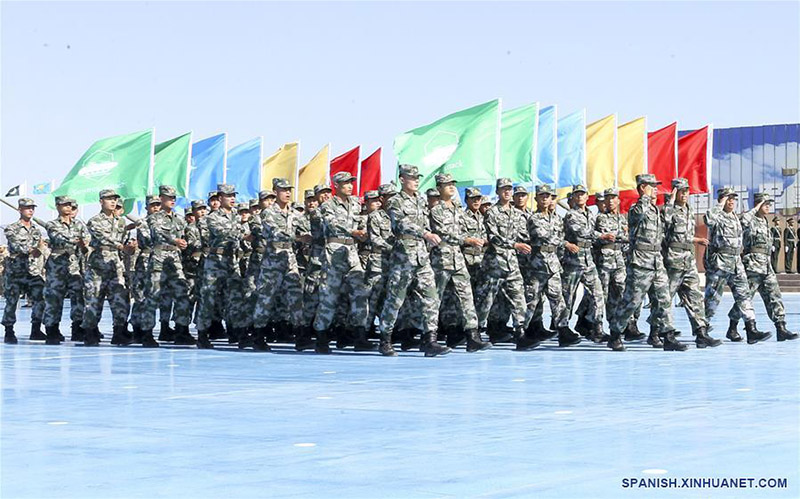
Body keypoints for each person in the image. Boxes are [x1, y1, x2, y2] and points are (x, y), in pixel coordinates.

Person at [377, 165, 453, 357]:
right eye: (411, 177)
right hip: (404, 256)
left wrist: (429, 237)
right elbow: (401, 224)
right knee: (395, 299)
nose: (416, 180)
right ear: (402, 179)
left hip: (421, 255)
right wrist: (425, 233)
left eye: (417, 177)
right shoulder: (395, 201)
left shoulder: (420, 199)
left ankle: (430, 340)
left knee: (431, 297)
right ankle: (385, 339)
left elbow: (425, 222)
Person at [607, 174, 685, 352]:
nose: (656, 189)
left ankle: (668, 337)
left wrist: (671, 203)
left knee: (663, 300)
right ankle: (615, 335)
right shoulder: (636, 208)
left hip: (657, 262)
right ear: (642, 188)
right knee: (632, 302)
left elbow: (666, 222)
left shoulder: (654, 209)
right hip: (641, 262)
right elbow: (638, 214)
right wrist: (644, 196)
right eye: (652, 186)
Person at [475, 178, 541, 351]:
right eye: (503, 189)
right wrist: (514, 245)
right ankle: (474, 333)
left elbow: (523, 235)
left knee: (519, 298)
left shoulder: (517, 214)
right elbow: (494, 237)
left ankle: (520, 334)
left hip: (511, 263)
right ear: (497, 192)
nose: (507, 192)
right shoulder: (492, 212)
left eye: (509, 189)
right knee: (485, 301)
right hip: (494, 264)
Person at [312, 172, 374, 353]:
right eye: (345, 183)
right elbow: (332, 224)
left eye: (351, 183)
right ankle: (322, 338)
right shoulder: (328, 205)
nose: (350, 186)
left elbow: (361, 222)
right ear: (336, 185)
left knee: (360, 294)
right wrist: (354, 231)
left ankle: (360, 337)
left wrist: (364, 232)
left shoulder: (355, 203)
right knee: (329, 297)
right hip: (334, 252)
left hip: (352, 252)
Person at [429, 173, 490, 352]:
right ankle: (431, 337)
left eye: (452, 184)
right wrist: (468, 239)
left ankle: (473, 336)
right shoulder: (436, 210)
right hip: (441, 258)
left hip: (457, 257)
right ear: (439, 188)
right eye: (446, 184)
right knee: (435, 298)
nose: (451, 187)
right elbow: (444, 233)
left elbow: (463, 228)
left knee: (466, 296)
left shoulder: (456, 207)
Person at [727, 193, 798, 342]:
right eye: (765, 204)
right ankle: (732, 328)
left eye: (769, 204)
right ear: (758, 204)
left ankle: (781, 328)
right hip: (752, 265)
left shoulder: (765, 221)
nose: (768, 207)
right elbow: (742, 221)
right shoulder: (749, 219)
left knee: (774, 296)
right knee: (745, 298)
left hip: (766, 266)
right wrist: (755, 208)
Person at [703, 187, 770, 344]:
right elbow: (708, 220)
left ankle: (751, 329)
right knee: (712, 298)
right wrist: (720, 204)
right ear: (721, 199)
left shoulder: (734, 217)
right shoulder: (717, 215)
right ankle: (702, 329)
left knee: (744, 295)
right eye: (728, 198)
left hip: (736, 262)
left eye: (733, 198)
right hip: (720, 262)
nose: (732, 201)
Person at [661, 178, 721, 348]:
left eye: (687, 190)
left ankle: (701, 333)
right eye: (681, 191)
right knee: (665, 299)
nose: (685, 194)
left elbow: (683, 235)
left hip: (688, 260)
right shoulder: (669, 210)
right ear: (674, 192)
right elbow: (664, 223)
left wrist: (697, 239)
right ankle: (662, 334)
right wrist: (670, 202)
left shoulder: (689, 210)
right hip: (673, 260)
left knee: (695, 297)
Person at [80, 190, 137, 346]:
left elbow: (124, 240)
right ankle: (90, 332)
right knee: (94, 300)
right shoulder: (94, 221)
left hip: (115, 265)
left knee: (120, 300)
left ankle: (119, 332)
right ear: (101, 201)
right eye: (109, 199)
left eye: (114, 199)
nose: (113, 202)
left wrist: (130, 246)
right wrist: (121, 246)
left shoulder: (121, 222)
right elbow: (103, 237)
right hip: (98, 266)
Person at [195, 184, 245, 348]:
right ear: (220, 198)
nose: (232, 199)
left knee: (235, 298)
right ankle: (202, 333)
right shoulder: (212, 217)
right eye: (228, 195)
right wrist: (244, 229)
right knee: (209, 298)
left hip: (232, 260)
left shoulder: (236, 216)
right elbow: (226, 233)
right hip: (216, 261)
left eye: (233, 196)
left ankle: (237, 332)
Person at [42, 196, 90, 345]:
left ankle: (77, 328)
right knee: (54, 299)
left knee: (78, 298)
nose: (68, 208)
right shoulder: (52, 224)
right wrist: (77, 240)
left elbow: (87, 240)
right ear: (57, 206)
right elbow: (58, 238)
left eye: (70, 205)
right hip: (57, 265)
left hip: (74, 264)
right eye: (65, 205)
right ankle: (52, 329)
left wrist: (83, 245)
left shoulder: (79, 225)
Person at [3, 197, 46, 344]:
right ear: (20, 209)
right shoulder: (12, 228)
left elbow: (40, 248)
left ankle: (36, 329)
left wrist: (39, 251)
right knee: (12, 302)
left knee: (40, 299)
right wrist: (31, 250)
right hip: (16, 271)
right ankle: (9, 330)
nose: (31, 210)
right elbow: (15, 245)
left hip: (32, 271)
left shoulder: (36, 230)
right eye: (27, 208)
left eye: (32, 208)